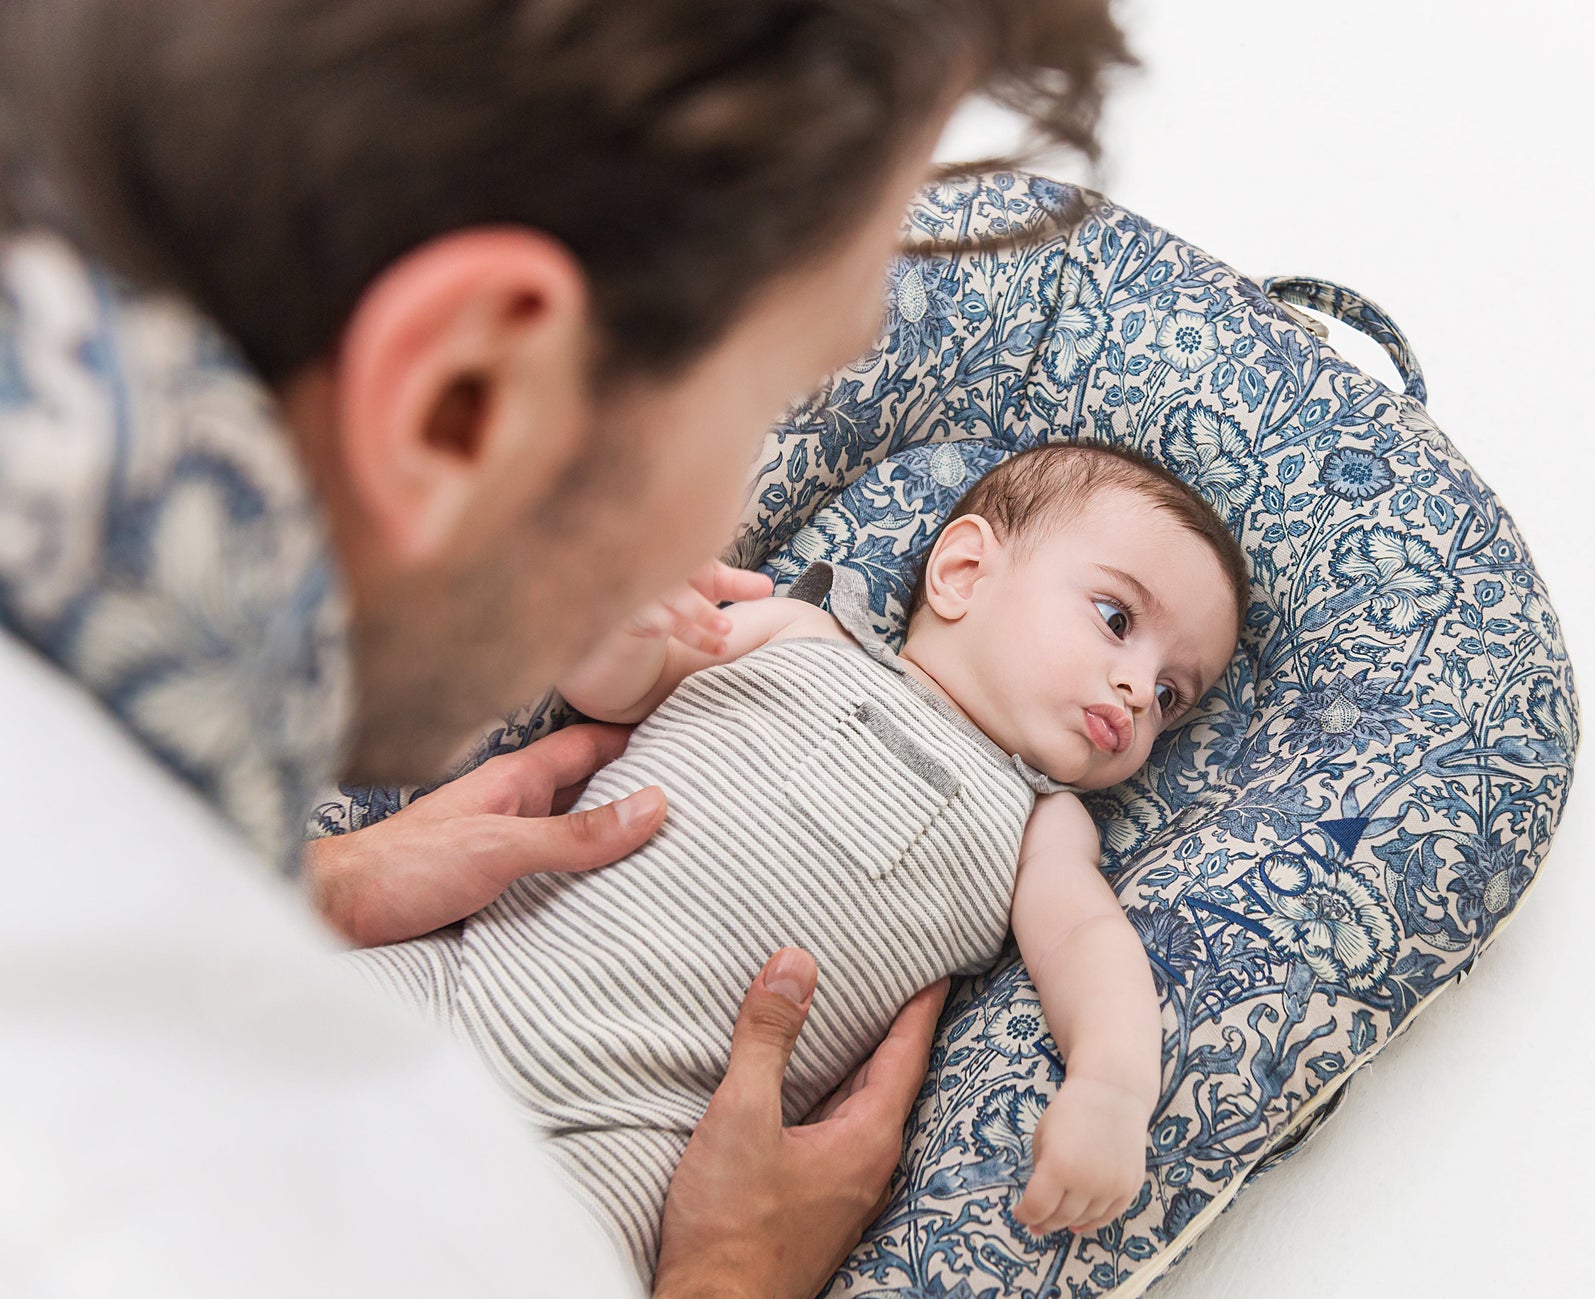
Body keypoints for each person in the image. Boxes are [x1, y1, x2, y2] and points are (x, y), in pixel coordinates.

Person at [0, 2, 1134, 1295]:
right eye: (770, 398)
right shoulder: (366, 1223)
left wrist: (305, 885)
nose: (735, 518)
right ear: (460, 401)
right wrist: (723, 1278)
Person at [346, 444, 1248, 1287]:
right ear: (965, 572)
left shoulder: (1041, 826)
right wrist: (625, 621)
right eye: (1116, 619)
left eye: (1172, 693)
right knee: (250, 1030)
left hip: (638, 1138)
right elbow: (618, 691)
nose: (1139, 690)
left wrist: (1113, 1088)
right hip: (467, 976)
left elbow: (1090, 940)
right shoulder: (802, 633)